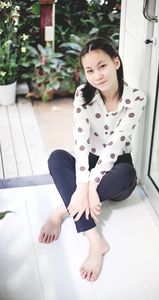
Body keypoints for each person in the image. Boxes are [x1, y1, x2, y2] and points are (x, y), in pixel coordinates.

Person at [38, 37, 146, 282]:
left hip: (117, 166)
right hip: (89, 160)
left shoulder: (136, 98)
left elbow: (115, 144)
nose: (97, 75)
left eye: (102, 66)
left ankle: (61, 211)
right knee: (57, 157)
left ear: (116, 62)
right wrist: (84, 184)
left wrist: (89, 186)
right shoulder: (82, 95)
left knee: (128, 175)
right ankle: (94, 240)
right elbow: (81, 141)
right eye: (90, 70)